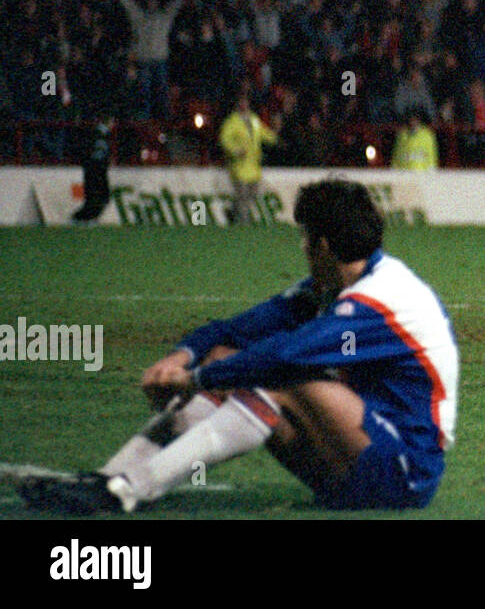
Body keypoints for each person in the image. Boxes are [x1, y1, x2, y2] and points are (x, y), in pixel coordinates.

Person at [16, 180, 458, 513]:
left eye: (305, 238)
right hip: (355, 463)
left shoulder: (383, 298)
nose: (303, 248)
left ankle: (129, 491)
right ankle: (108, 479)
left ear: (322, 245)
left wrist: (196, 381)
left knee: (276, 377)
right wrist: (182, 358)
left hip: (406, 474)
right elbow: (238, 329)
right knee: (229, 358)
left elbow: (285, 356)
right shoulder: (333, 288)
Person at [219, 92, 279, 223]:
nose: (244, 105)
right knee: (242, 196)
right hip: (240, 165)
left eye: (246, 102)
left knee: (252, 194)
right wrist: (235, 150)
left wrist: (275, 137)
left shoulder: (253, 119)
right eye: (241, 102)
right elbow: (225, 140)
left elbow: (263, 133)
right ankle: (243, 223)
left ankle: (232, 214)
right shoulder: (232, 122)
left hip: (253, 165)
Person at [71, 111, 114, 224]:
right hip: (95, 168)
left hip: (95, 168)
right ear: (109, 122)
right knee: (96, 196)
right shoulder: (98, 134)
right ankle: (81, 218)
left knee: (98, 196)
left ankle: (88, 217)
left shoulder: (100, 134)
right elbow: (94, 151)